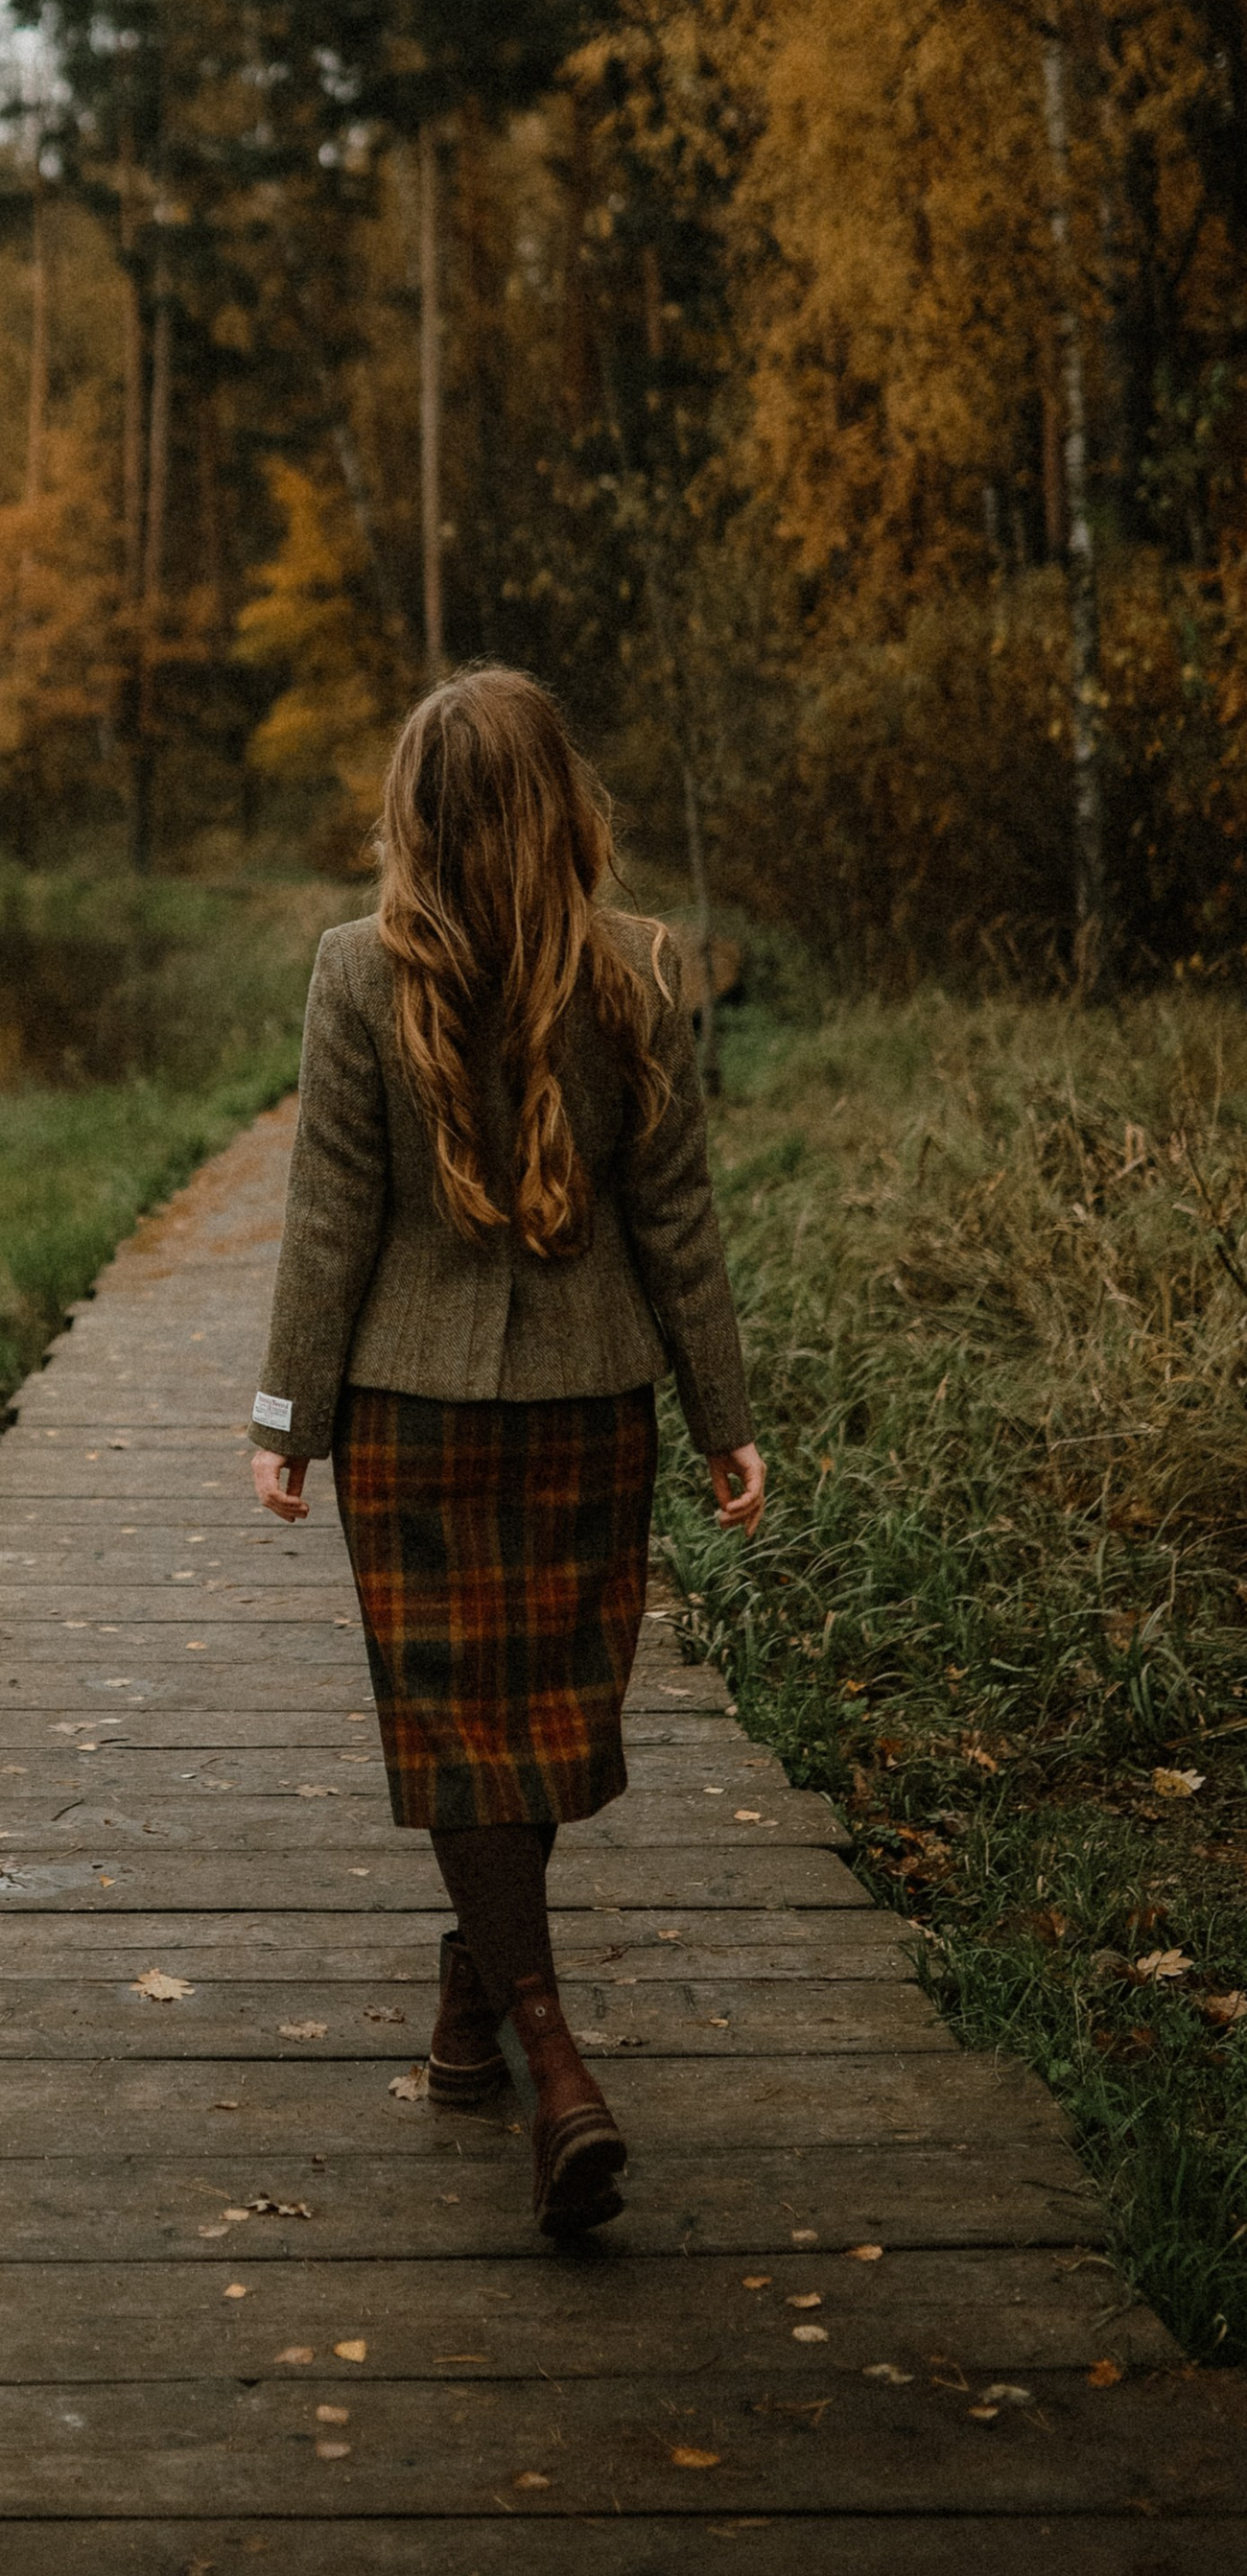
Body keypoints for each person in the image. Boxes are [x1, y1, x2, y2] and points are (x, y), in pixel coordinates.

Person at [247, 666, 765, 2237]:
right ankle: (538, 2047)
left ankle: (506, 2022)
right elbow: (675, 1218)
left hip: (411, 1418)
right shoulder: (649, 966)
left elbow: (331, 1217)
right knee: (531, 1721)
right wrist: (723, 1421)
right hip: (593, 1411)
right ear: (565, 803)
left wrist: (287, 1423)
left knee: (481, 1728)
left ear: (414, 811)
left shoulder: (356, 971)